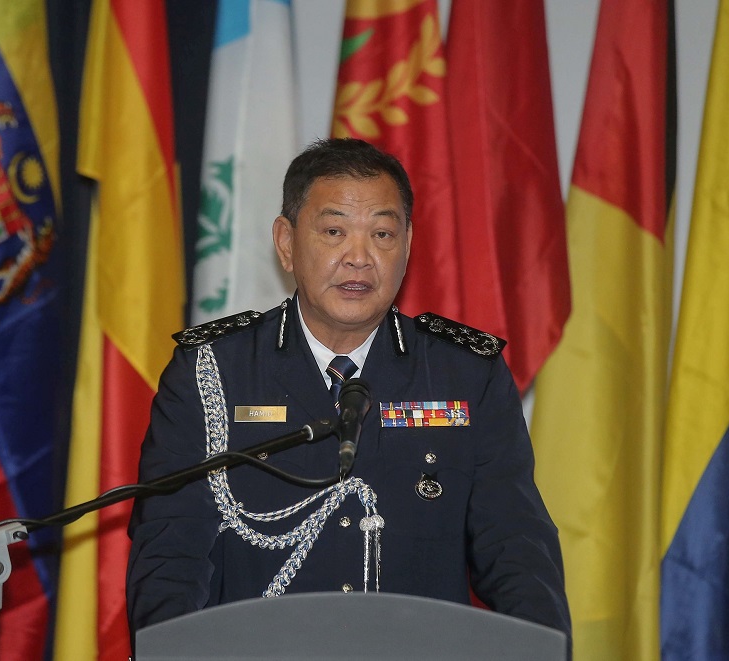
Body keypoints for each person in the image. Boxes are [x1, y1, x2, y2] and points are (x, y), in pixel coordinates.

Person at [126, 138, 571, 642]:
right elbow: (170, 556)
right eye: (334, 231)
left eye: (382, 233)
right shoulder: (212, 372)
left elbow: (516, 549)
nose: (359, 258)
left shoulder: (466, 375)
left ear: (408, 242)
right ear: (287, 243)